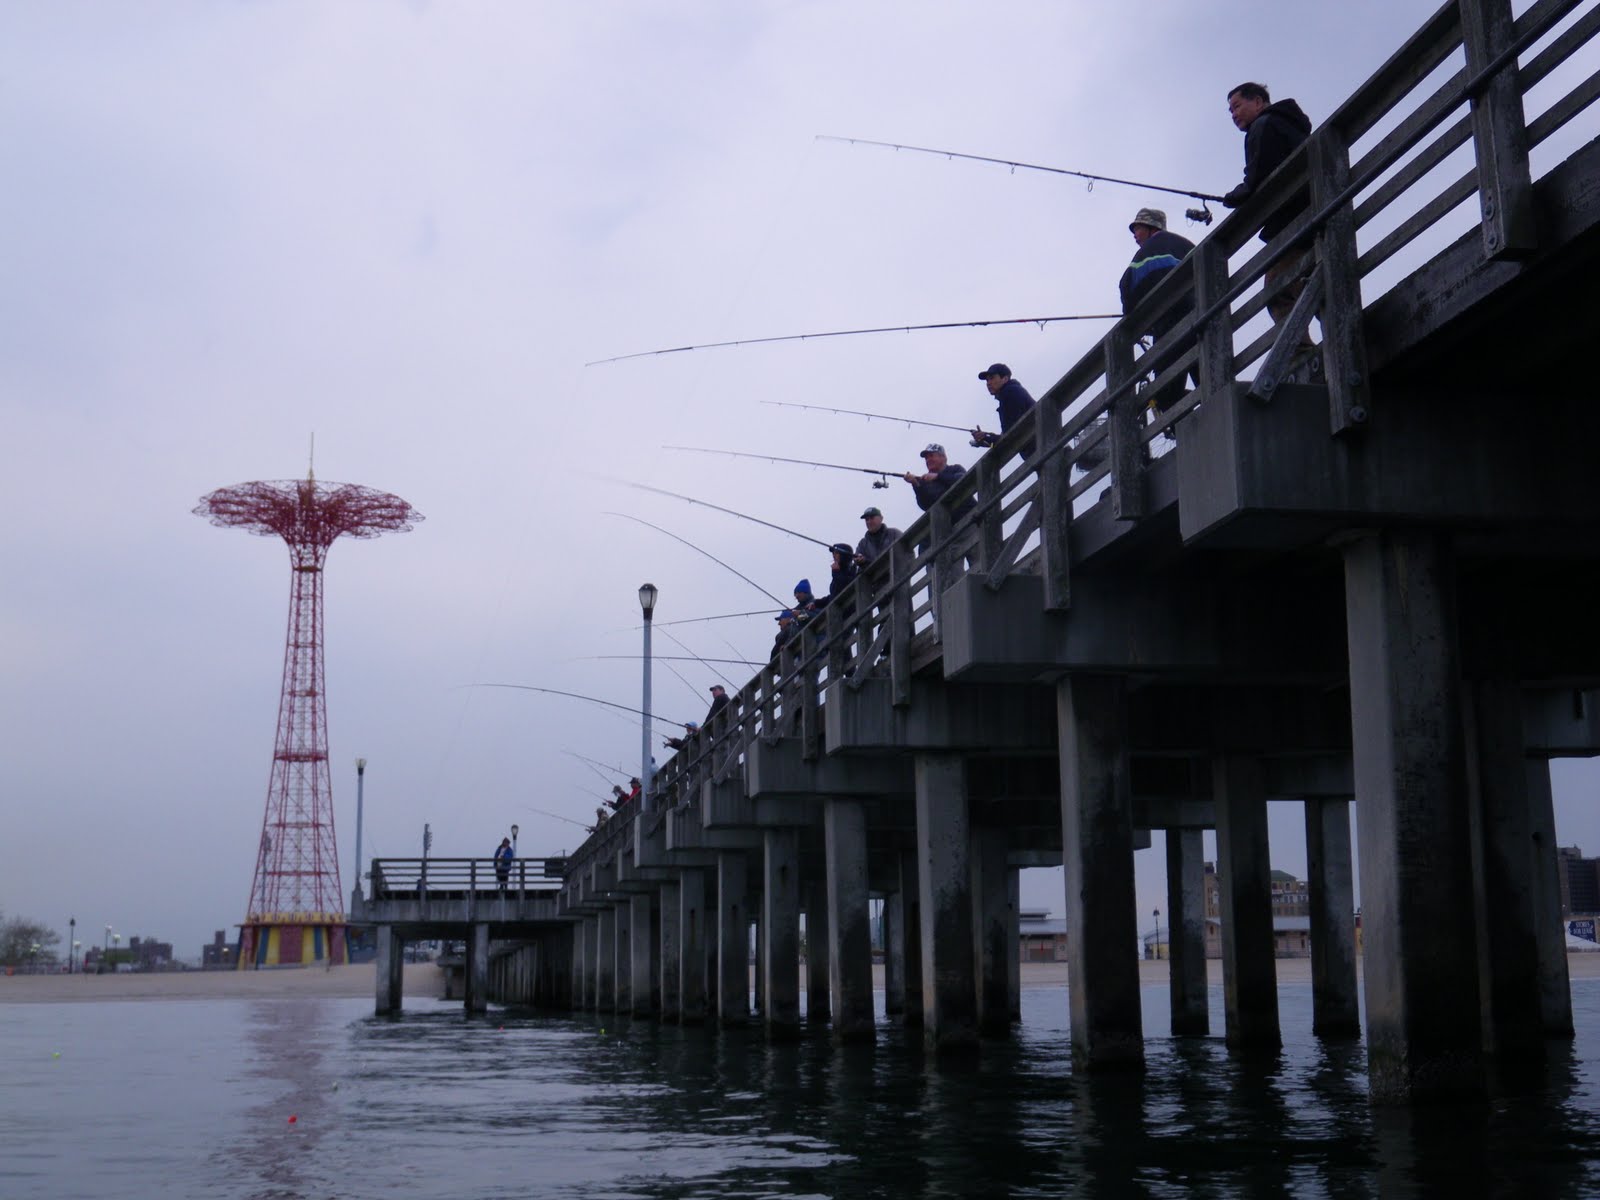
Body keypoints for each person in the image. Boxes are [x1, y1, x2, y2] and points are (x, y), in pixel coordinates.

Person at [1221, 82, 1315, 351]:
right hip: (1317, 209)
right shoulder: (1289, 124)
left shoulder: (1262, 126)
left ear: (1259, 102)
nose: (1233, 115)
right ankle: (1338, 333)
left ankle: (1299, 353)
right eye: (1230, 111)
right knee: (1319, 280)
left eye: (1237, 106)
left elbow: (1257, 178)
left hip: (1294, 223)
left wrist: (1234, 196)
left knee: (1278, 288)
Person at [1120, 207, 1198, 418]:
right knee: (1210, 378)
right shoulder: (1189, 246)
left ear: (1151, 227)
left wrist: (1134, 319)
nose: (1135, 236)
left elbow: (1127, 291)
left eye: (1138, 229)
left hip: (1168, 329)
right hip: (1202, 320)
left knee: (1165, 393)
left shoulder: (1143, 255)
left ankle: (1189, 426)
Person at [971, 364, 1037, 451]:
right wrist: (985, 438)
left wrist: (986, 438)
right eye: (987, 380)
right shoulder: (1010, 393)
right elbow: (1009, 435)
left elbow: (1010, 435)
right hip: (1039, 448)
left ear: (1005, 379)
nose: (988, 383)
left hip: (1042, 447)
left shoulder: (1010, 392)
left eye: (992, 378)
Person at [903, 443, 973, 518]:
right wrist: (915, 484)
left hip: (973, 515)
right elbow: (925, 506)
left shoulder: (955, 469)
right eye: (926, 458)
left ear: (943, 457)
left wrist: (938, 477)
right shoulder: (925, 483)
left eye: (931, 456)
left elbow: (964, 480)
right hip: (952, 527)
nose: (928, 460)